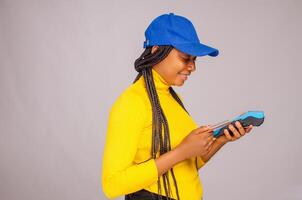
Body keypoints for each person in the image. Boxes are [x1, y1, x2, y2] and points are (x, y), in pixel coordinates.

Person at [101, 13, 253, 200]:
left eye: (194, 60)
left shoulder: (171, 97)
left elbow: (187, 165)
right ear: (156, 51)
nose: (192, 67)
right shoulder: (132, 103)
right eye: (185, 58)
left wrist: (221, 139)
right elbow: (112, 184)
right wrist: (181, 151)